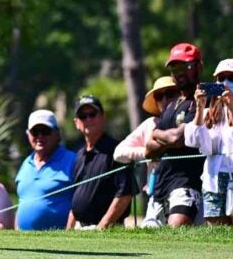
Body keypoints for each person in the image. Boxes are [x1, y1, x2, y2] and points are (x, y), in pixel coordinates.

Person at [185, 58, 233, 226]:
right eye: (221, 78)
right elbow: (194, 141)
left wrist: (232, 107)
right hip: (214, 177)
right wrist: (200, 108)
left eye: (232, 78)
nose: (225, 82)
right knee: (216, 230)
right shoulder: (211, 112)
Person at [145, 42, 205, 227]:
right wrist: (163, 137)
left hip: (187, 183)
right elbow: (149, 150)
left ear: (199, 66)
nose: (179, 73)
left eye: (185, 67)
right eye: (174, 67)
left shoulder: (203, 99)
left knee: (176, 238)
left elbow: (178, 139)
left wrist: (157, 133)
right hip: (161, 187)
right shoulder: (172, 104)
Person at [114, 75, 178, 227]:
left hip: (186, 191)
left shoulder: (189, 119)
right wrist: (147, 153)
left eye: (169, 94)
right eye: (159, 96)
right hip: (156, 193)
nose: (164, 100)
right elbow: (118, 153)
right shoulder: (150, 124)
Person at [67, 96, 137, 229]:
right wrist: (68, 230)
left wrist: (102, 228)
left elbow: (125, 194)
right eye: (83, 116)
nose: (88, 119)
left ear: (103, 117)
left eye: (92, 114)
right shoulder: (79, 155)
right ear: (76, 122)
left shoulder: (117, 150)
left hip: (106, 229)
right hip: (80, 229)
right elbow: (76, 198)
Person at [15, 109, 75, 230]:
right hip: (24, 241)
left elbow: (81, 203)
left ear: (58, 134)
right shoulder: (26, 163)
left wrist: (70, 235)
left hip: (59, 241)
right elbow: (22, 202)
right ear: (28, 135)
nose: (40, 136)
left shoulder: (73, 160)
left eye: (45, 131)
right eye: (35, 132)